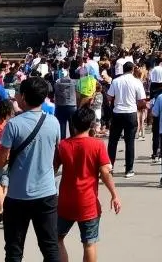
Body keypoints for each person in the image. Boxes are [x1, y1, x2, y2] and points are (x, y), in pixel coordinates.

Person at [0, 75, 61, 262]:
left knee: (14, 250)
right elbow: (56, 155)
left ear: (23, 96)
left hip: (17, 195)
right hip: (46, 193)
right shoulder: (53, 122)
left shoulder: (13, 124)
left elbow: (1, 160)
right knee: (50, 247)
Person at [54, 106, 120, 262]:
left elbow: (52, 169)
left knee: (57, 239)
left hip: (65, 202)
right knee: (89, 244)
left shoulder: (63, 145)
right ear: (91, 125)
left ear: (73, 124)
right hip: (88, 203)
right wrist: (114, 195)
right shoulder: (97, 145)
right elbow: (105, 172)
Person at [107, 61, 145, 179]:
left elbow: (109, 96)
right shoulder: (137, 82)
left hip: (118, 112)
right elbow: (141, 99)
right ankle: (129, 169)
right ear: (132, 69)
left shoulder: (116, 81)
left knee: (113, 142)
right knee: (130, 142)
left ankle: (110, 167)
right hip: (130, 112)